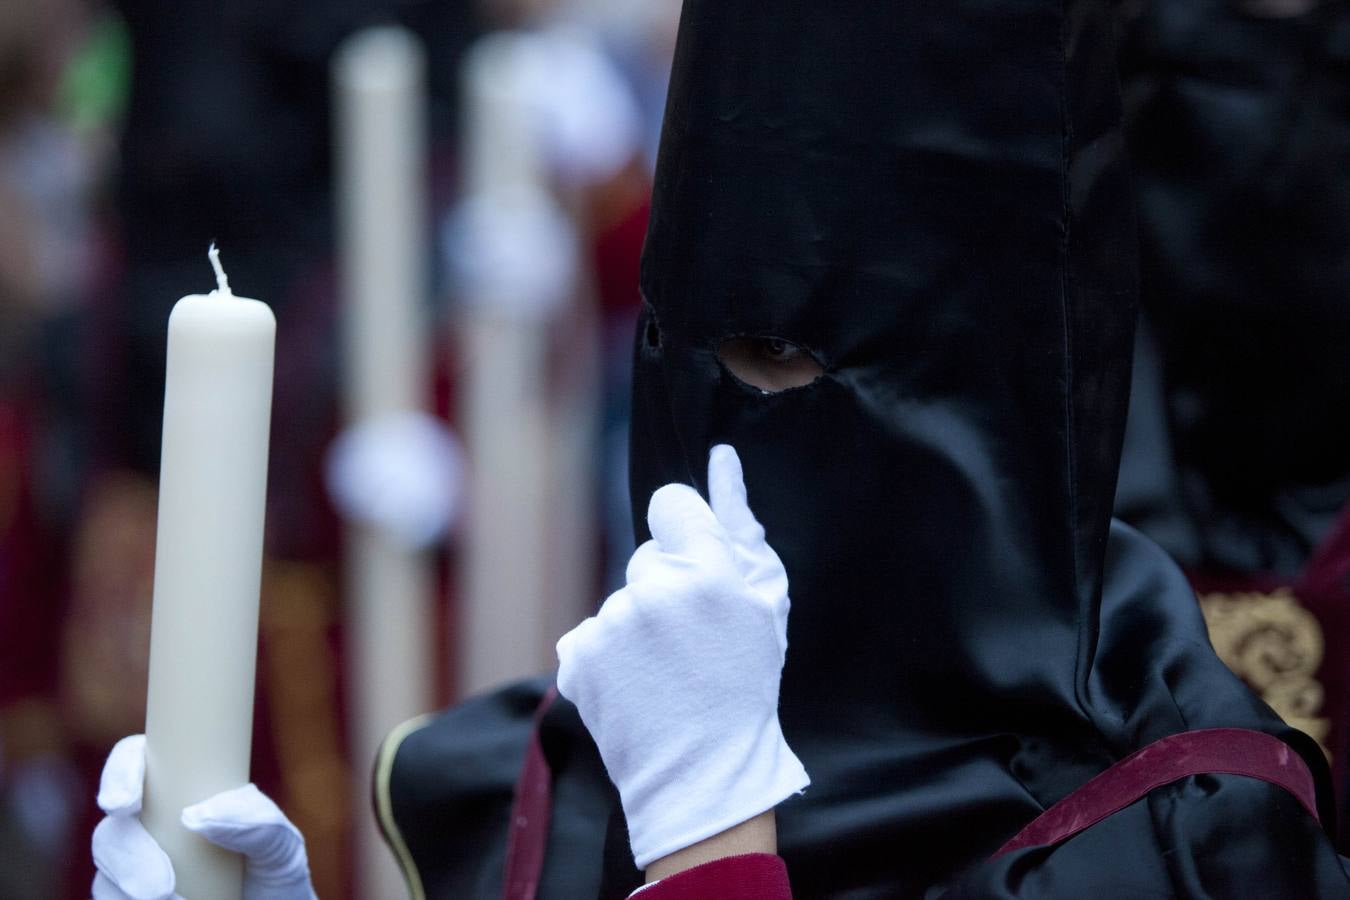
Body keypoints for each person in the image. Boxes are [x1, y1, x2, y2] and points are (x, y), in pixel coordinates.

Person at [93, 0, 1350, 896]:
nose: (736, 415)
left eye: (799, 366)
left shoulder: (1170, 834)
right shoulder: (566, 769)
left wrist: (707, 846)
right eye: (694, 347)